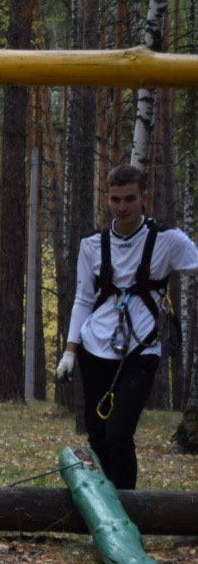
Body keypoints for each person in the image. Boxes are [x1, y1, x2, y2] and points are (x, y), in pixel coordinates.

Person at [57, 164, 198, 489]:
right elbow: (82, 299)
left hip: (141, 351)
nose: (122, 207)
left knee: (119, 432)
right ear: (107, 198)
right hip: (94, 348)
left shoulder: (167, 240)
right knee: (97, 434)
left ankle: (126, 508)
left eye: (129, 199)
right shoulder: (92, 245)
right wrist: (70, 350)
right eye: (115, 199)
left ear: (144, 197)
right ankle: (103, 506)